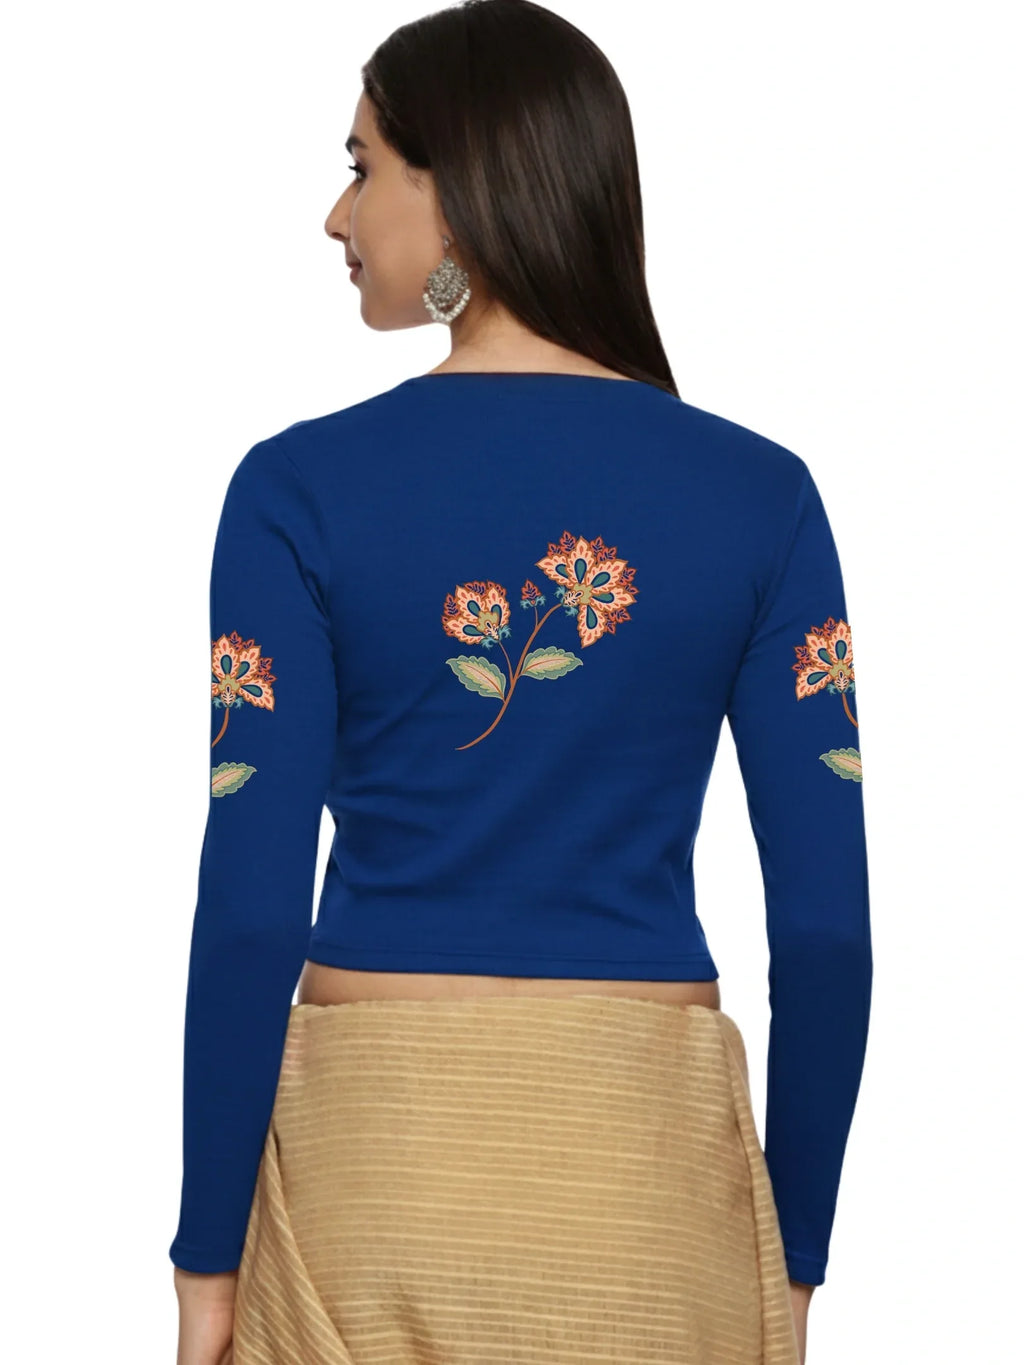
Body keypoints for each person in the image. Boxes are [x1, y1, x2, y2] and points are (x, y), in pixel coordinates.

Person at [170, 3, 873, 1363]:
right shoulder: (764, 498)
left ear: (464, 186)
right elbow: (829, 934)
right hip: (652, 1201)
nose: (335, 214)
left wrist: (209, 1264)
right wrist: (794, 1258)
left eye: (364, 166)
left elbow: (252, 914)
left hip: (369, 1184)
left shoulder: (293, 492)